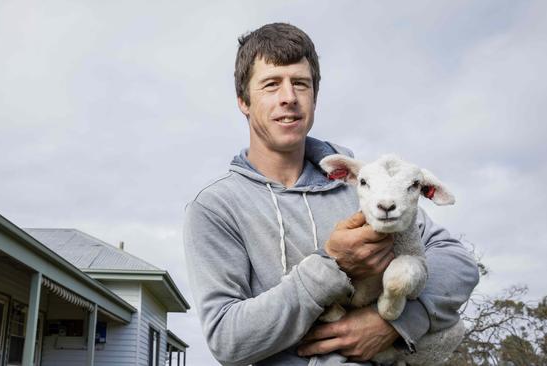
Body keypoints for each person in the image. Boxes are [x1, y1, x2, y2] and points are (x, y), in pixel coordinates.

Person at [183, 22, 478, 366]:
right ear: (243, 101)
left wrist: (393, 322)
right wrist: (332, 266)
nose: (288, 97)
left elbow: (456, 261)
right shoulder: (216, 208)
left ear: (314, 97)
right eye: (271, 84)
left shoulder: (364, 184)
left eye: (300, 84)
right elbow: (227, 340)